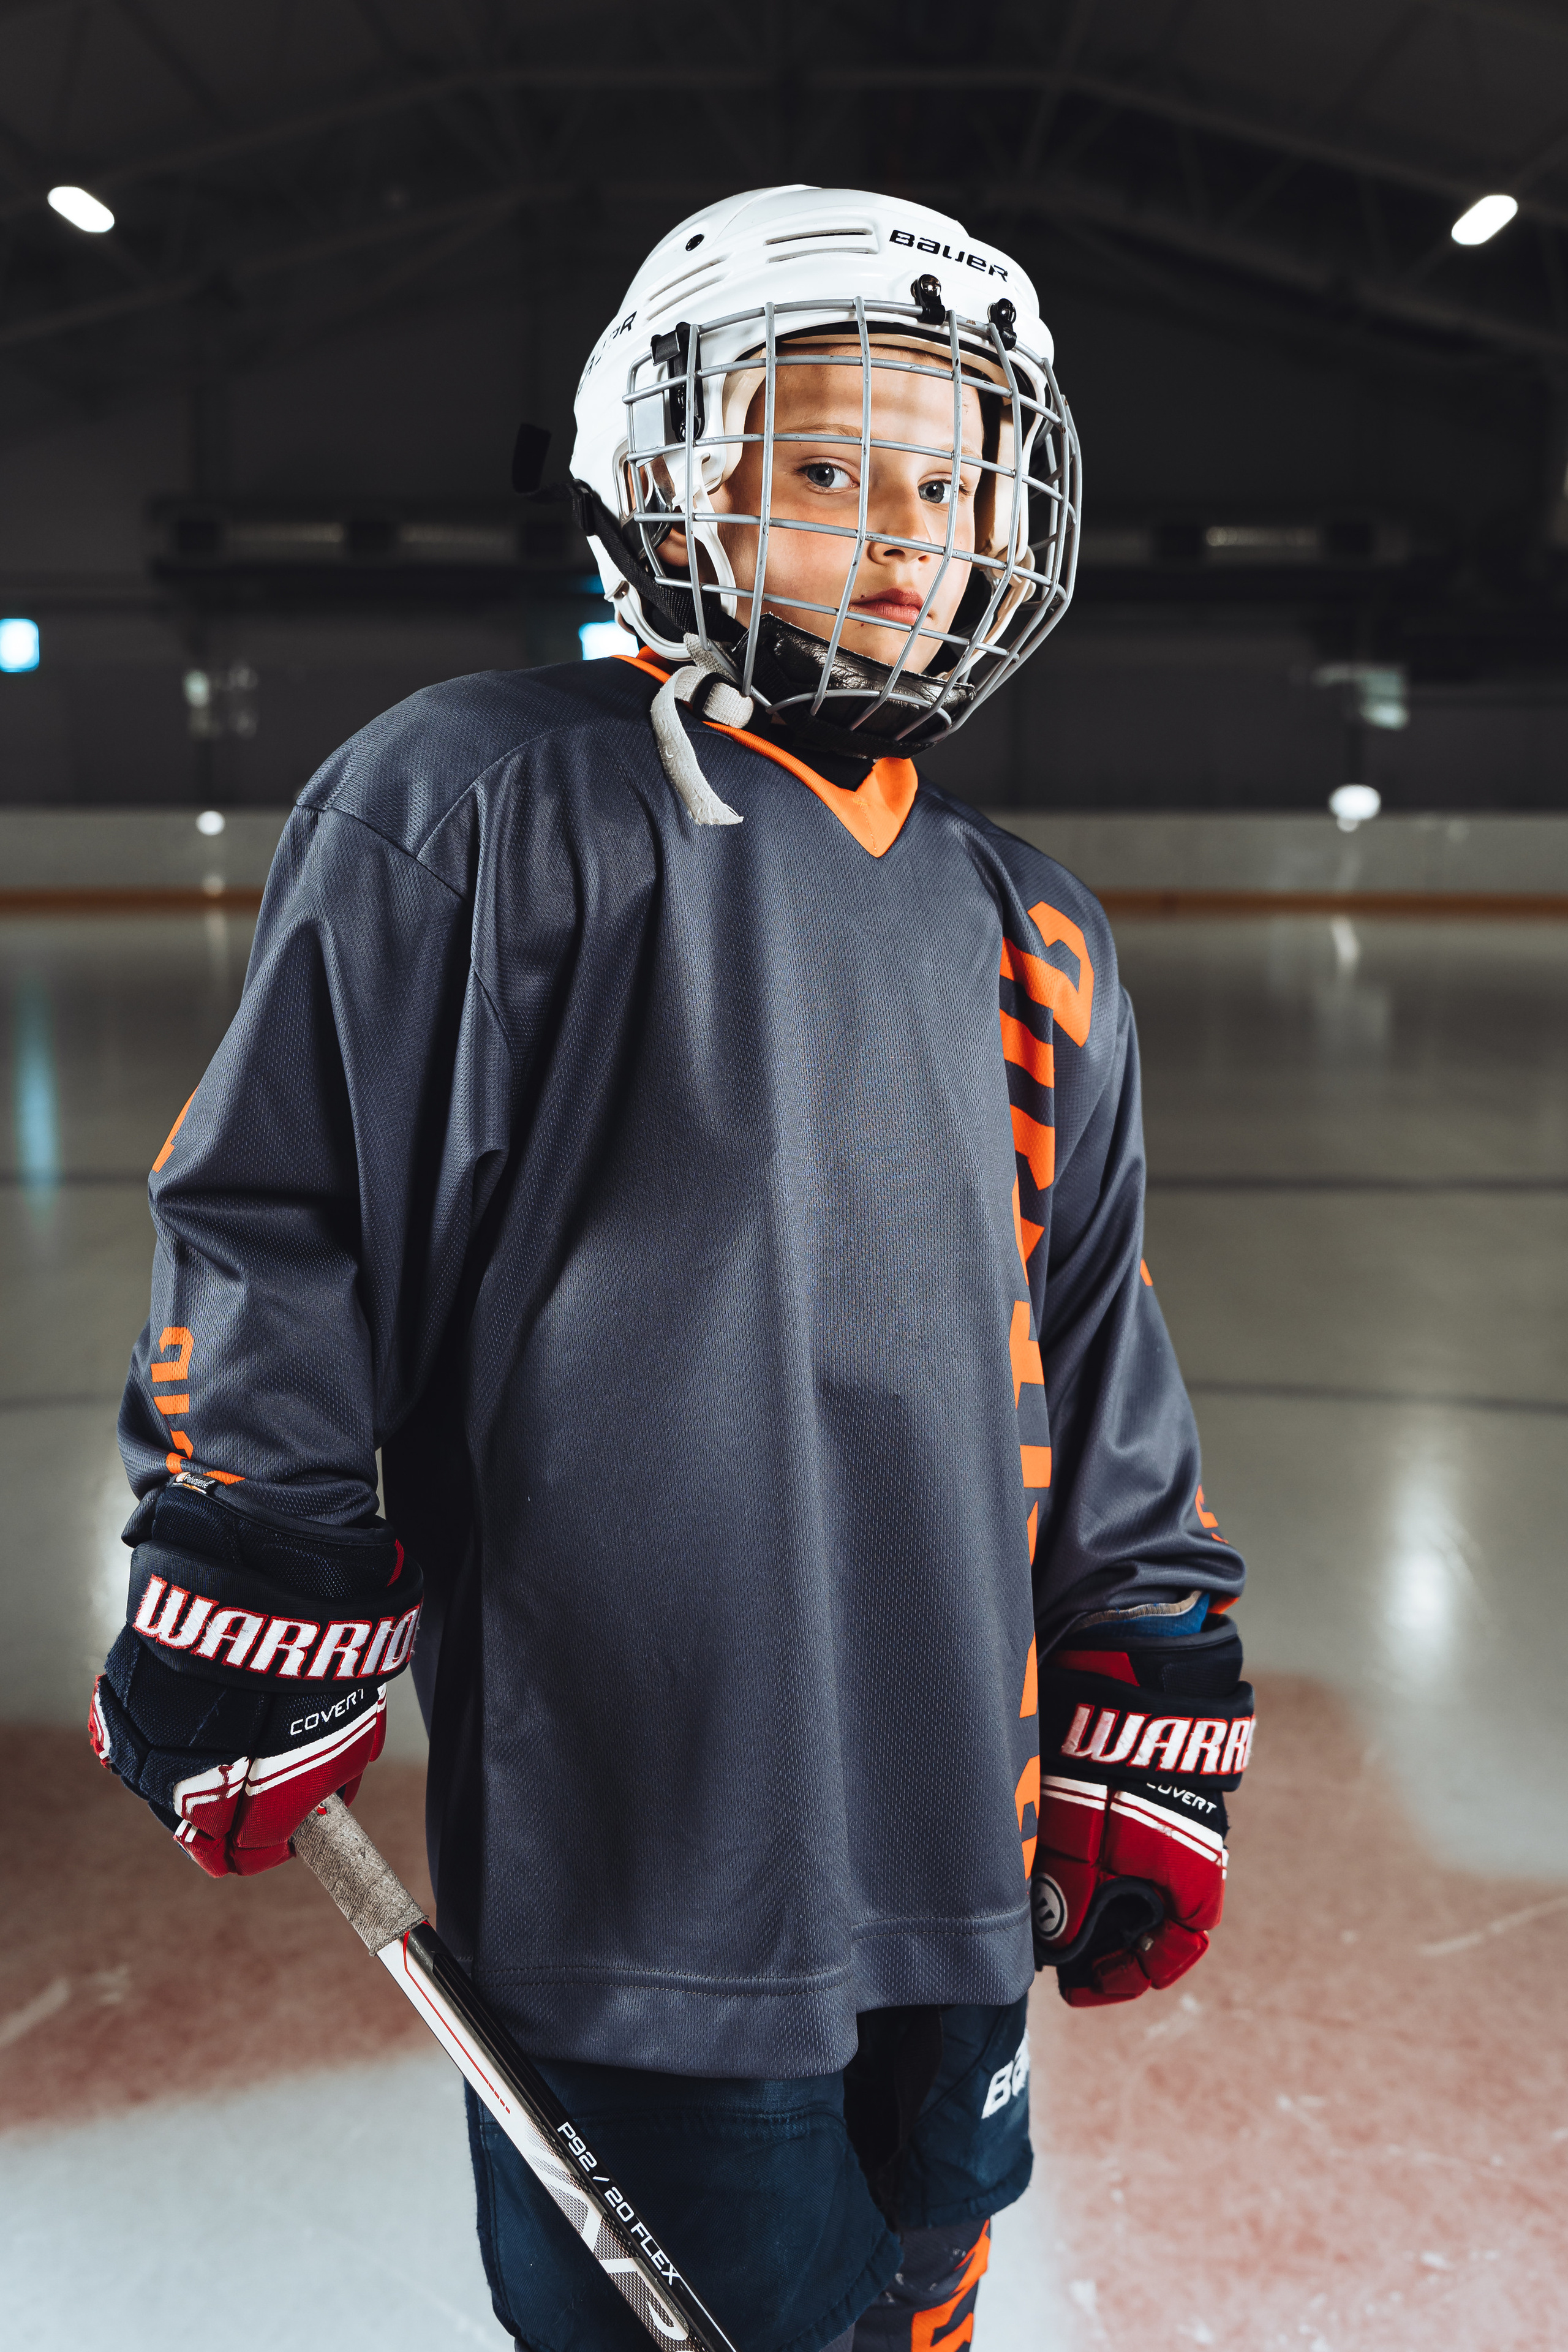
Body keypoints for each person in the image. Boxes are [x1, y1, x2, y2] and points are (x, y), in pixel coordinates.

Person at [91, 185, 1253, 2352]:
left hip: (957, 1859)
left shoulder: (1031, 930)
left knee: (923, 2292)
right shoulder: (473, 803)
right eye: (829, 468)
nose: (907, 531)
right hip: (647, 1879)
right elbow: (282, 1215)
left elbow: (1094, 1352)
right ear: (665, 473)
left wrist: (1150, 1668)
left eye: (954, 474)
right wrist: (259, 1541)